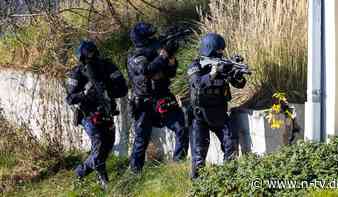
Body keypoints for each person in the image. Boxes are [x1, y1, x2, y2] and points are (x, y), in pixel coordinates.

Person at [127, 22, 189, 173]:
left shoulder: (156, 51)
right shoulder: (135, 56)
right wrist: (163, 55)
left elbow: (171, 72)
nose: (154, 40)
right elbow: (147, 71)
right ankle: (135, 174)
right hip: (144, 103)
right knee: (141, 140)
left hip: (163, 97)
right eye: (150, 38)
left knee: (181, 128)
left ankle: (178, 165)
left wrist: (171, 57)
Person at [65, 40, 128, 189]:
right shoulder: (77, 72)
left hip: (106, 113)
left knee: (106, 148)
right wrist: (85, 93)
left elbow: (123, 88)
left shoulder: (107, 66)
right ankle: (104, 182)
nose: (91, 58)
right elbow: (70, 98)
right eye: (88, 56)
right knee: (99, 148)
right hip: (88, 116)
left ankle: (80, 172)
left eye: (93, 54)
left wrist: (108, 90)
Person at [187, 33, 247, 179]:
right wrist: (213, 73)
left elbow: (240, 84)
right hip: (200, 115)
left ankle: (227, 179)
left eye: (222, 51)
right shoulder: (195, 65)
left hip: (219, 114)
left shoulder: (222, 64)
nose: (221, 53)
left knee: (231, 144)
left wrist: (236, 74)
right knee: (199, 155)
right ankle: (197, 187)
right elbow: (197, 83)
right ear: (209, 50)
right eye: (218, 51)